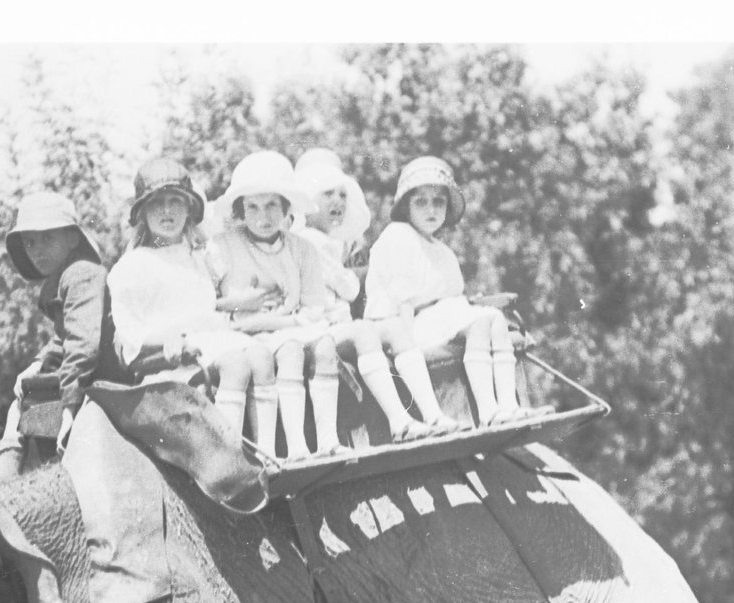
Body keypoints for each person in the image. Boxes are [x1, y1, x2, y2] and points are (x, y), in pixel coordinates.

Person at [106, 156, 268, 444]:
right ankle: (228, 449)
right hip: (170, 361)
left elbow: (206, 307)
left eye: (175, 201)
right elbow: (130, 333)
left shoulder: (198, 256)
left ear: (189, 209)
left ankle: (267, 448)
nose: (167, 210)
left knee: (261, 356)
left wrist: (242, 301)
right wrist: (168, 337)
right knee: (235, 364)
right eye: (157, 202)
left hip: (211, 343)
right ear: (143, 212)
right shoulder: (133, 266)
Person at [292, 147, 444, 443]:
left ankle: (432, 413)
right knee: (364, 332)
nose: (337, 201)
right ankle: (399, 420)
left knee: (395, 328)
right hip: (316, 328)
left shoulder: (331, 242)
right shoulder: (307, 241)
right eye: (327, 194)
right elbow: (349, 288)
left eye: (342, 195)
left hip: (337, 325)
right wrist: (349, 275)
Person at [363, 155, 528, 427]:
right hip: (405, 327)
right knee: (479, 323)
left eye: (438, 202)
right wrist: (408, 349)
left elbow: (451, 298)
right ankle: (488, 410)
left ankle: (508, 405)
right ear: (406, 207)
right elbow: (402, 302)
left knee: (495, 320)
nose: (431, 210)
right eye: (421, 202)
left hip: (439, 322)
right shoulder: (398, 236)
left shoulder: (443, 252)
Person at [206, 149, 342, 459]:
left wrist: (272, 321)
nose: (263, 217)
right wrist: (235, 303)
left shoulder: (302, 249)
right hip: (237, 335)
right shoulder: (221, 247)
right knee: (274, 354)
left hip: (287, 327)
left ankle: (321, 442)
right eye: (252, 207)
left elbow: (313, 309)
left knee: (316, 347)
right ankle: (272, 449)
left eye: (271, 206)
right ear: (240, 210)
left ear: (286, 207)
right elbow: (204, 303)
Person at [0, 190, 109, 480]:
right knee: (22, 403)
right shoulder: (65, 277)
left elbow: (83, 345)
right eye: (30, 242)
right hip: (88, 375)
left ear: (72, 238)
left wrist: (70, 407)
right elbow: (63, 337)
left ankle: (4, 489)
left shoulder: (81, 274)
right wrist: (37, 364)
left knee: (21, 410)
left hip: (102, 378)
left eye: (48, 238)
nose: (37, 250)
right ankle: (9, 486)